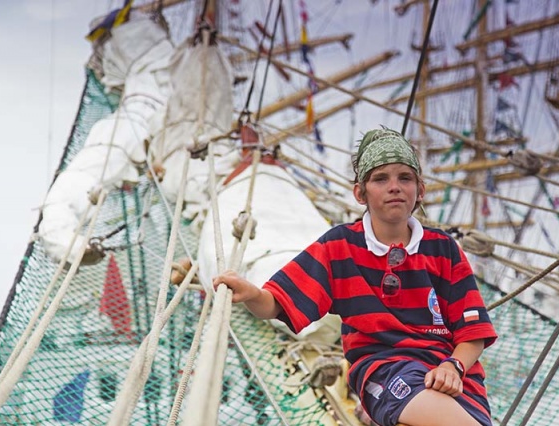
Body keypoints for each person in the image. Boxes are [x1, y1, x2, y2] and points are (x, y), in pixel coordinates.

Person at [213, 127, 498, 426]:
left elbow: (473, 333)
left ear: (420, 190)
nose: (394, 187)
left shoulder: (443, 249)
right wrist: (251, 293)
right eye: (380, 179)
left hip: (456, 377)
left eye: (405, 177)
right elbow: (277, 303)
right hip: (384, 369)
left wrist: (453, 367)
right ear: (360, 193)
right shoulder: (340, 247)